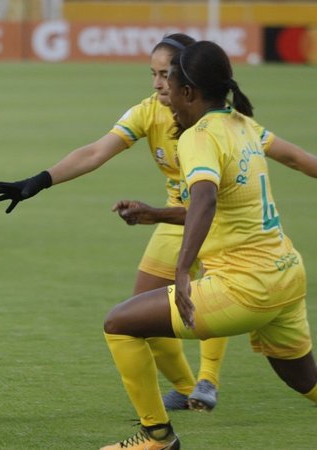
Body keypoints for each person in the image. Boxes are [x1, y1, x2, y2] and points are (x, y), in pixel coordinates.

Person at [99, 40, 317, 450]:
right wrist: (156, 213)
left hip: (245, 286)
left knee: (120, 324)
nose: (166, 99)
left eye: (171, 86)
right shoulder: (242, 124)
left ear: (189, 92)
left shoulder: (198, 136)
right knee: (305, 380)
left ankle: (157, 437)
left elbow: (205, 198)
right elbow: (223, 204)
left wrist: (182, 271)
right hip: (286, 274)